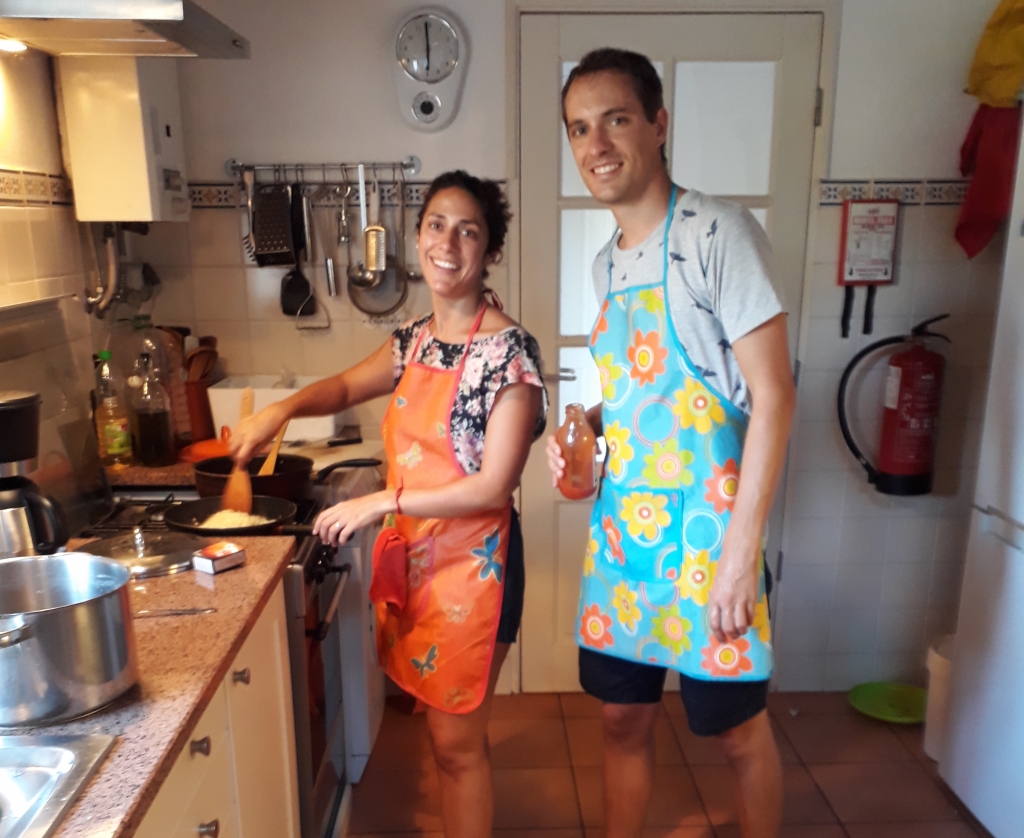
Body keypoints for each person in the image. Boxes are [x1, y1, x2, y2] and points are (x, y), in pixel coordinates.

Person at [231, 170, 548, 838]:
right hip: (421, 563)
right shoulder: (414, 340)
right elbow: (346, 386)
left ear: (490, 250)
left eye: (468, 231)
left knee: (457, 746)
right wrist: (281, 410)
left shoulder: (510, 355)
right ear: (418, 233)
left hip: (478, 570)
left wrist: (384, 500)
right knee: (446, 736)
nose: (447, 244)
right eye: (436, 225)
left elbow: (494, 485)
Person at [547, 49, 796, 838]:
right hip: (627, 542)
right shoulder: (605, 265)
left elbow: (774, 395)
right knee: (621, 720)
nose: (596, 145)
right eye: (579, 128)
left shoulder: (719, 234)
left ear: (658, 124)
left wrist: (741, 557)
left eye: (615, 119)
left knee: (734, 730)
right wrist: (589, 426)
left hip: (710, 543)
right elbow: (642, 393)